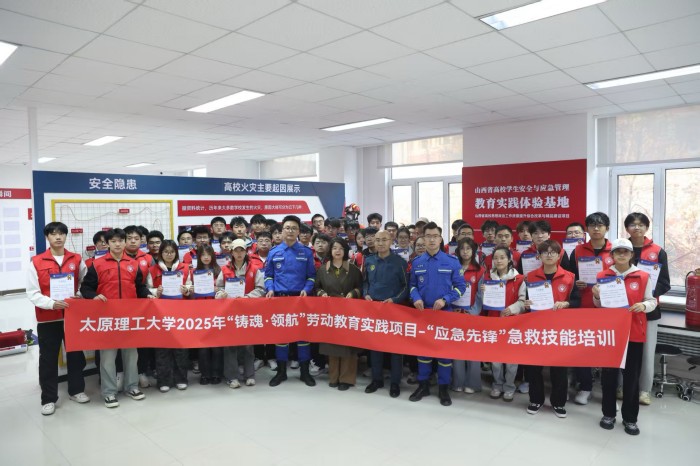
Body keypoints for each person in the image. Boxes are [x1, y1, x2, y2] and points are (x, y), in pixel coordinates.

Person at [80, 228, 153, 408]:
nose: (118, 244)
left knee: (131, 355)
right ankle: (109, 392)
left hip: (130, 317)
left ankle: (132, 387)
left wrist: (148, 294)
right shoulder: (97, 264)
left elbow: (139, 286)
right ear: (107, 243)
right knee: (107, 358)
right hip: (107, 319)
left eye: (121, 240)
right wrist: (93, 296)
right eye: (113, 241)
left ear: (125, 242)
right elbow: (86, 288)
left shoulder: (133, 264)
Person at [593, 238, 656, 435]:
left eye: (625, 252)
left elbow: (652, 301)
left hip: (634, 333)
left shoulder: (643, 276)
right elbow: (599, 305)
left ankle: (630, 418)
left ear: (631, 255)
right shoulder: (603, 275)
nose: (621, 255)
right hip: (610, 334)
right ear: (611, 255)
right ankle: (608, 414)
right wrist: (596, 295)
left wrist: (643, 306)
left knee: (631, 378)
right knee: (608, 377)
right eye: (617, 252)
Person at [27, 222, 89, 416]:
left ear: (65, 236)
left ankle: (76, 390)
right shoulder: (37, 261)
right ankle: (48, 399)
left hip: (72, 317)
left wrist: (79, 295)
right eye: (53, 234)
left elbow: (86, 281)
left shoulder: (76, 259)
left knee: (76, 356)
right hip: (48, 318)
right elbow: (32, 292)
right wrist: (51, 304)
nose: (58, 237)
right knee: (48, 359)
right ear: (47, 237)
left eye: (61, 233)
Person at [408, 222, 467, 407]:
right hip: (423, 314)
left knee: (443, 354)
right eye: (428, 236)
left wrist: (445, 300)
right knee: (423, 352)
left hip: (444, 314)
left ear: (441, 239)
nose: (432, 240)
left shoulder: (451, 261)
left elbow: (461, 287)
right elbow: (412, 286)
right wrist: (416, 297)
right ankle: (423, 385)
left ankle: (443, 388)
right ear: (423, 239)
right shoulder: (417, 262)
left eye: (435, 236)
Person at [524, 240, 579, 418]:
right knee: (534, 367)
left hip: (560, 329)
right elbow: (526, 302)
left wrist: (566, 303)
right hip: (536, 328)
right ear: (539, 256)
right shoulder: (530, 277)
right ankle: (535, 399)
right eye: (545, 252)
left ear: (559, 255)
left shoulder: (569, 277)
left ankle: (559, 402)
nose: (549, 255)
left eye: (553, 252)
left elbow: (577, 301)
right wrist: (526, 304)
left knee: (559, 368)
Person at [565, 212, 614, 405]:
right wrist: (577, 282)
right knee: (582, 349)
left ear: (607, 228)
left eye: (600, 225)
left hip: (608, 310)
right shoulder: (577, 251)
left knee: (607, 350)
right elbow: (569, 277)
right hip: (582, 307)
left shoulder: (615, 251)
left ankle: (609, 391)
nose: (596, 228)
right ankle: (585, 387)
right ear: (586, 229)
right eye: (592, 225)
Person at [624, 213, 671, 406]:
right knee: (622, 351)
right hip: (623, 310)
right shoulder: (620, 249)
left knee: (647, 352)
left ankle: (644, 390)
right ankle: (622, 387)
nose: (637, 227)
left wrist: (646, 294)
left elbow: (665, 283)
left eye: (641, 224)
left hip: (648, 310)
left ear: (646, 227)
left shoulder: (657, 251)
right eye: (632, 224)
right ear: (627, 228)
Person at [265, 215, 317, 387]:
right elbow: (268, 276)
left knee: (303, 337)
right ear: (282, 231)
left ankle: (305, 372)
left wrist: (306, 289)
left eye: (294, 228)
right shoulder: (274, 252)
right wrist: (270, 288)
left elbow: (311, 276)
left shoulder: (306, 252)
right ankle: (281, 372)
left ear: (298, 231)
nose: (290, 231)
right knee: (281, 337)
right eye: (287, 228)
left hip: (300, 300)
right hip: (280, 300)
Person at [475, 246, 525, 402]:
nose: (498, 261)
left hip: (513, 324)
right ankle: (497, 384)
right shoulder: (487, 278)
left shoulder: (519, 279)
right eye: (496, 258)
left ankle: (509, 386)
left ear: (509, 259)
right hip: (494, 323)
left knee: (511, 360)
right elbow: (482, 304)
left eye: (502, 257)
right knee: (495, 359)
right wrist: (483, 292)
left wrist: (512, 309)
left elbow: (523, 301)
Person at [363, 230, 409, 398]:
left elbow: (406, 286)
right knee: (375, 346)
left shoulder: (400, 262)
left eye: (384, 240)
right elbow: (365, 282)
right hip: (374, 309)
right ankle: (377, 380)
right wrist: (366, 294)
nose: (380, 243)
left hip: (393, 309)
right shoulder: (369, 261)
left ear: (391, 241)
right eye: (377, 240)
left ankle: (395, 382)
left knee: (395, 348)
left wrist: (395, 300)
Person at [316, 238, 363, 390]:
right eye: (335, 248)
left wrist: (353, 293)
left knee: (348, 346)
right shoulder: (323, 269)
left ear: (345, 251)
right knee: (332, 345)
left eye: (341, 248)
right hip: (330, 313)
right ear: (330, 251)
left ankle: (346, 379)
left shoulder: (353, 269)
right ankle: (334, 377)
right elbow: (316, 287)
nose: (337, 251)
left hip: (348, 313)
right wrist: (321, 293)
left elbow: (361, 287)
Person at [216, 239, 265, 389]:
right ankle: (232, 377)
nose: (239, 253)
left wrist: (247, 297)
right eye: (236, 250)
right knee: (230, 345)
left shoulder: (254, 269)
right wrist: (222, 294)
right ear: (231, 252)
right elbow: (218, 287)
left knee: (248, 344)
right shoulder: (225, 269)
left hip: (247, 311)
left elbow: (261, 289)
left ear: (246, 252)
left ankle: (249, 375)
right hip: (229, 312)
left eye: (241, 250)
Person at [148, 240, 190, 392]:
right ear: (161, 253)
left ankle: (181, 378)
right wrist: (155, 292)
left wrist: (186, 290)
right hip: (160, 313)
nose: (169, 254)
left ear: (176, 253)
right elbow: (148, 288)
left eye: (172, 252)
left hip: (180, 312)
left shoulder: (185, 268)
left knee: (180, 347)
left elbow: (191, 286)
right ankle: (164, 380)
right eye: (166, 252)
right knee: (162, 348)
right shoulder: (153, 270)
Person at [451, 237, 484, 394]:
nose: (465, 252)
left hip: (472, 315)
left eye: (468, 248)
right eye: (462, 248)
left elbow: (480, 294)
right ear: (458, 251)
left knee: (472, 350)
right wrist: (451, 308)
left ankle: (473, 383)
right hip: (455, 313)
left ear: (473, 251)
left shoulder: (480, 270)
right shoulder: (453, 267)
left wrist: (473, 311)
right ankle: (458, 382)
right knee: (456, 349)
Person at [124, 225, 155, 388]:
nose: (133, 241)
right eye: (129, 238)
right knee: (123, 341)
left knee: (142, 340)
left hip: (143, 305)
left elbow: (151, 282)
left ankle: (141, 371)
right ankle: (122, 373)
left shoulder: (148, 258)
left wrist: (151, 293)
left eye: (136, 238)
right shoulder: (118, 257)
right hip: (122, 306)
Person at [189, 244, 223, 385]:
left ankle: (216, 373)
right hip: (200, 313)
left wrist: (217, 289)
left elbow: (225, 290)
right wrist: (191, 290)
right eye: (203, 255)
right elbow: (189, 294)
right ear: (199, 257)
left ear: (213, 256)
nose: (206, 257)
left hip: (217, 312)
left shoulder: (219, 271)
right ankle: (205, 374)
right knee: (203, 346)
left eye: (208, 254)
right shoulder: (194, 272)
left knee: (216, 346)